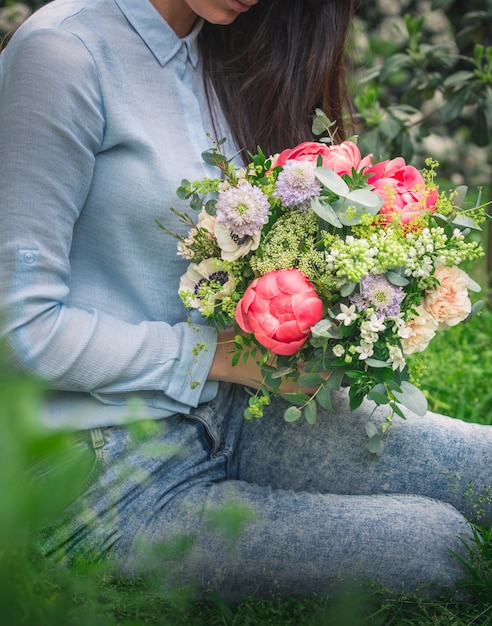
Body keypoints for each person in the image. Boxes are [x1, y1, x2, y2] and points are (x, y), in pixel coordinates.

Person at [1, 0, 491, 601]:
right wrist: (216, 355)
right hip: (98, 470)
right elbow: (18, 330)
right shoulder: (65, 52)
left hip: (236, 413)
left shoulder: (226, 44)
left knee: (484, 472)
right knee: (438, 547)